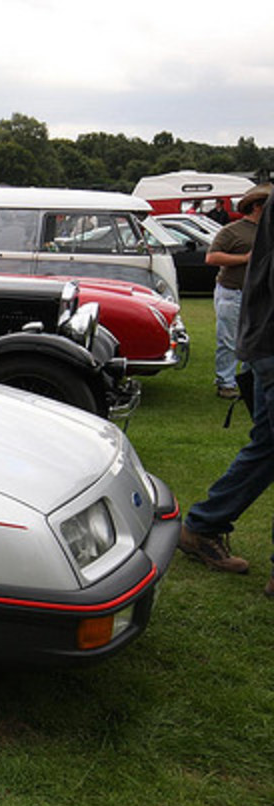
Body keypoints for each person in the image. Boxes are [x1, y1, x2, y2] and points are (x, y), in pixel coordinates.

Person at [179, 189, 274, 596]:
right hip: (267, 339)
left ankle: (203, 526)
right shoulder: (235, 231)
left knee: (267, 446)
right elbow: (216, 261)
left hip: (263, 339)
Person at [206, 185, 270, 398]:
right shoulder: (232, 231)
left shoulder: (267, 230)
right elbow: (212, 257)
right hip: (233, 292)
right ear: (257, 207)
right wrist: (244, 259)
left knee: (255, 340)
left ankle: (249, 383)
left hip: (259, 296)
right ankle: (226, 382)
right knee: (228, 339)